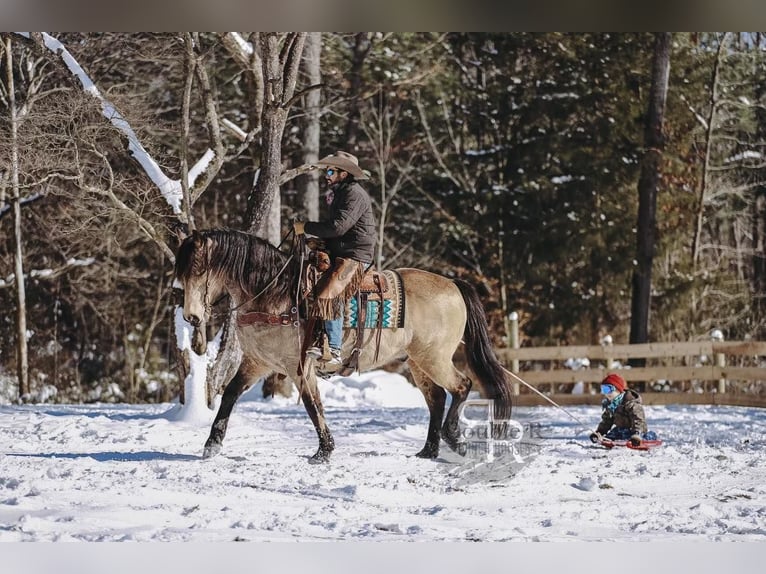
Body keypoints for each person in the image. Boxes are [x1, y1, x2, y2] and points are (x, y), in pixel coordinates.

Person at [293, 151, 376, 368]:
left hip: (356, 255)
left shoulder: (354, 194)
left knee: (330, 294)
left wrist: (307, 227)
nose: (326, 175)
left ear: (344, 173)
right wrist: (320, 243)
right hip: (342, 251)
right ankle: (317, 336)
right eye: (326, 170)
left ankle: (335, 348)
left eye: (330, 171)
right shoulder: (340, 193)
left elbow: (339, 227)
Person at [589, 373, 658, 446]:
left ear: (618, 389)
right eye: (604, 390)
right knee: (610, 436)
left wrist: (637, 434)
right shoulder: (611, 405)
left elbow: (638, 420)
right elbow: (607, 421)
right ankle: (614, 439)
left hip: (634, 430)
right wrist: (599, 432)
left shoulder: (631, 404)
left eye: (608, 389)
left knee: (644, 437)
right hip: (620, 430)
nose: (606, 393)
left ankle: (645, 438)